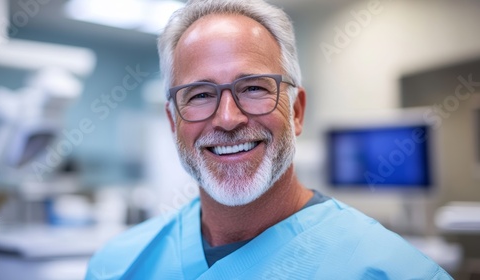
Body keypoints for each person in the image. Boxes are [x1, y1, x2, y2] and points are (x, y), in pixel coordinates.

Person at [86, 0, 452, 279]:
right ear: (172, 121)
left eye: (254, 88)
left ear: (296, 112)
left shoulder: (393, 271)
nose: (228, 119)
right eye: (199, 95)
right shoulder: (119, 265)